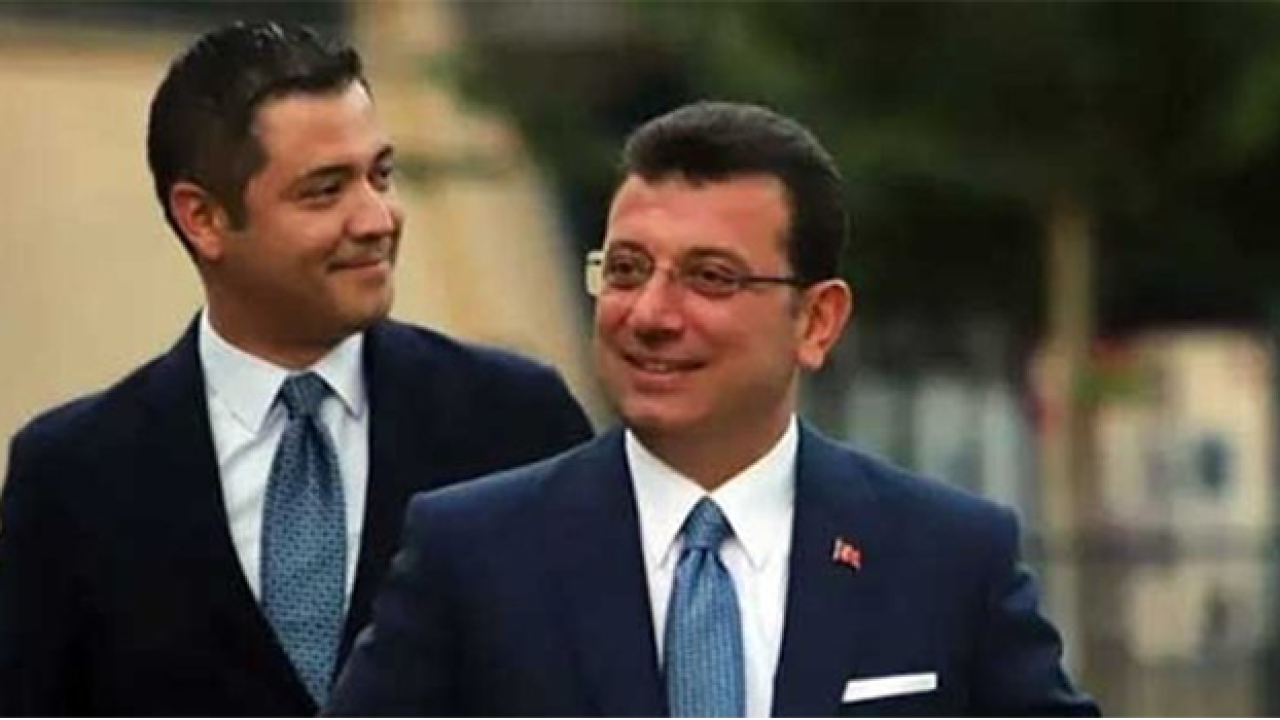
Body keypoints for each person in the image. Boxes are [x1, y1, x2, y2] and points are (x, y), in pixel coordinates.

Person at [327, 100, 1099, 717]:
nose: (651, 314)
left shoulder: (946, 558)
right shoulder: (472, 556)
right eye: (626, 270)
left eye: (711, 278)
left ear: (817, 321)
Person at [0, 21, 592, 716]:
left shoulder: (517, 421)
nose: (377, 219)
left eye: (380, 175)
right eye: (325, 190)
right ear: (203, 218)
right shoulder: (71, 475)